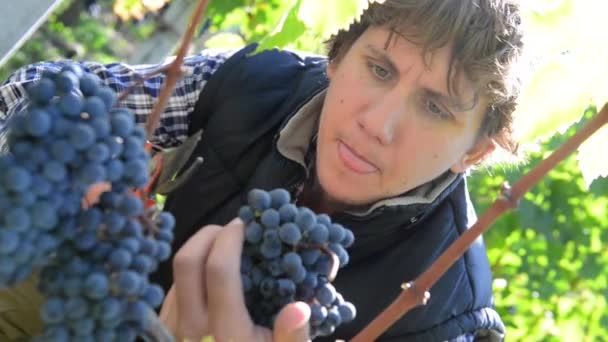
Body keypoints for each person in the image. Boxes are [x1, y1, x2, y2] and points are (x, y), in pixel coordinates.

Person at [0, 0, 527, 341]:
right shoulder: (260, 85)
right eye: (379, 69)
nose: (379, 124)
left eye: (436, 108)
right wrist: (85, 154)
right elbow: (33, 91)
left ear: (474, 153)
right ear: (338, 57)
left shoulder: (444, 317)